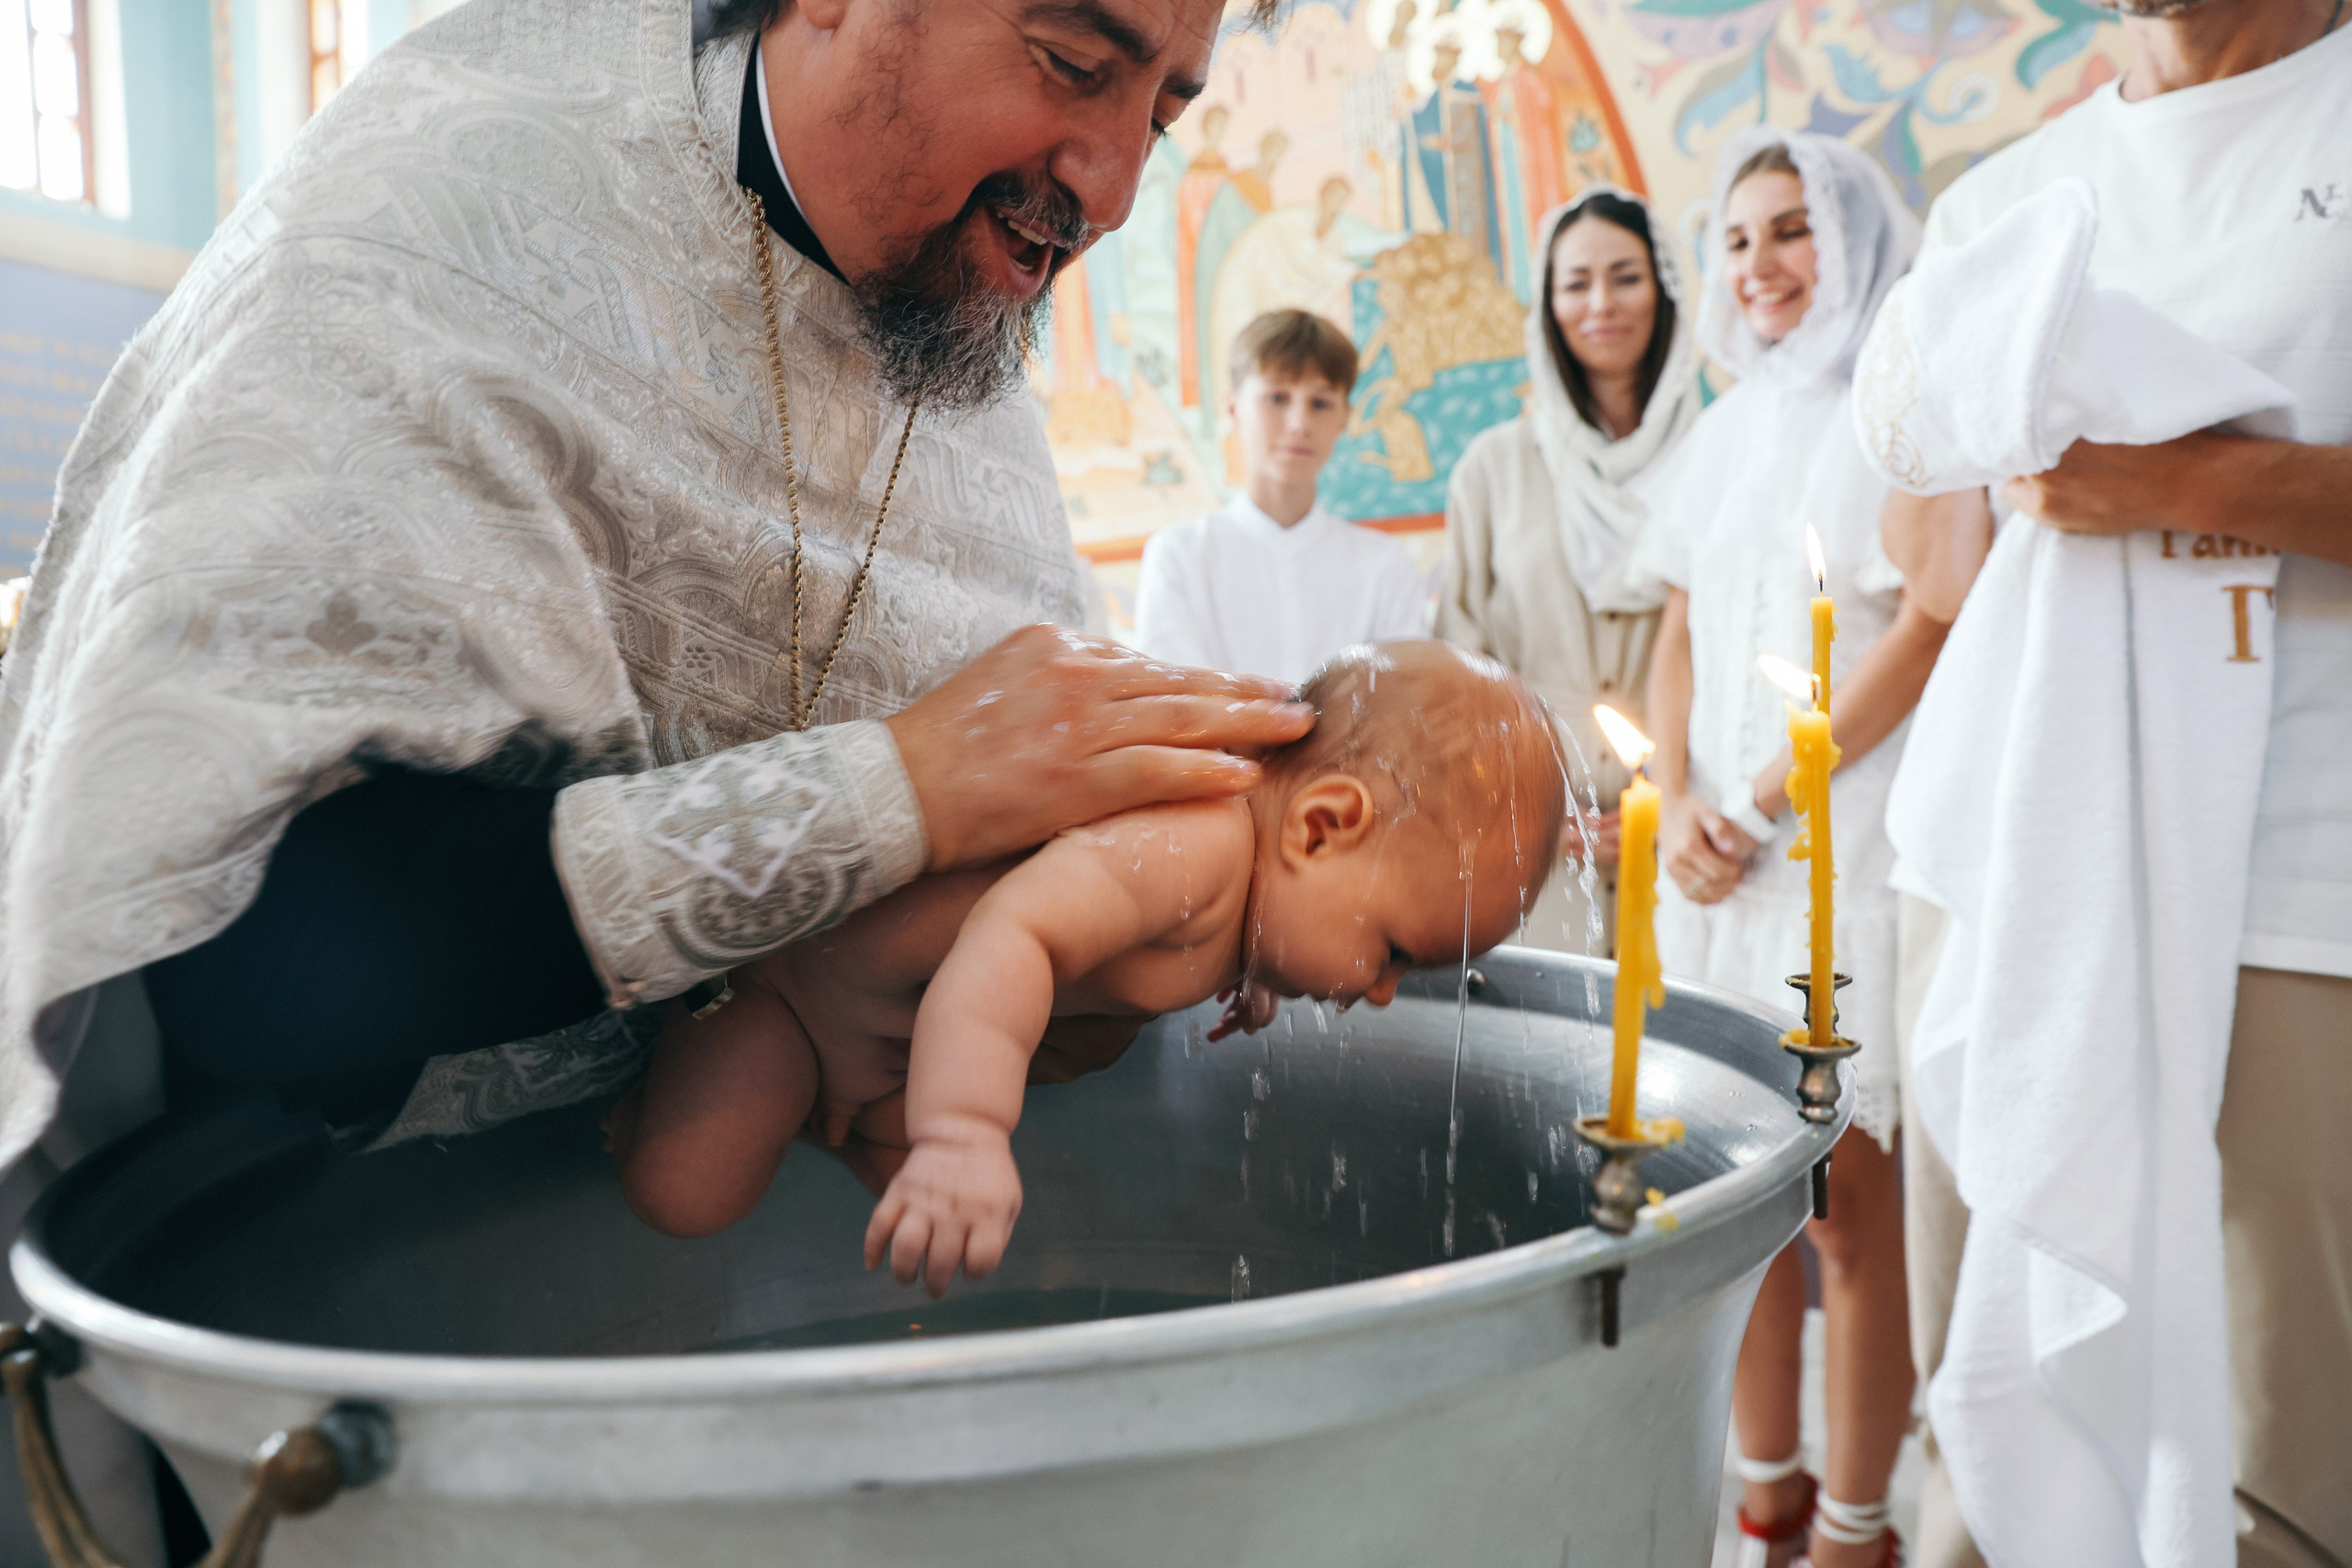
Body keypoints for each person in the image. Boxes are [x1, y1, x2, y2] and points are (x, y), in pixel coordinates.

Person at [1869, 1, 2352, 1563]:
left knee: (2286, 1439)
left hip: (2304, 875)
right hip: (2025, 857)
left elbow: (2099, 490)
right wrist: (1958, 435)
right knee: (1997, 1388)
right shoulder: (2011, 203)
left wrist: (2173, 478)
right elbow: (1938, 555)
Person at [611, 642, 1563, 1294]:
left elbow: (1275, 915)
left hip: (905, 1053)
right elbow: (1012, 937)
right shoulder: (1192, 846)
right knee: (685, 1192)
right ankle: (647, 1086)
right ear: (1321, 825)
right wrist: (965, 1133)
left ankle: (842, 1143)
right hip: (798, 1009)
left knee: (977, 1252)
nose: (1385, 989)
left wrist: (1264, 970)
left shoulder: (1261, 885)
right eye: (1394, 950)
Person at [1630, 128, 1938, 1568]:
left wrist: (1760, 799)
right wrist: (1681, 795)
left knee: (1847, 1219)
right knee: (1740, 1201)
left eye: (1791, 230)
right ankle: (1767, 1499)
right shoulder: (1726, 420)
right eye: (1740, 238)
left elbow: (1921, 631)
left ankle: (1862, 1525)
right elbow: (1681, 626)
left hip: (1836, 842)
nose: (1761, 264)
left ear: (1855, 237)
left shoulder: (1897, 407)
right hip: (1716, 856)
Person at [1439, 186, 1701, 952]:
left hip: (1688, 845)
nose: (1601, 304)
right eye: (1575, 282)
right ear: (1547, 305)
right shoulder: (1493, 467)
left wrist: (1676, 795)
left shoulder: (1717, 454)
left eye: (1625, 276)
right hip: (1534, 847)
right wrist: (1534, 812)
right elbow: (1460, 669)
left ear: (1664, 288)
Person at [1131, 310, 1428, 682]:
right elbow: (1173, 702)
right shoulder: (1179, 555)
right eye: (1277, 398)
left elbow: (1396, 708)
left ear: (1343, 418)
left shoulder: (1386, 566)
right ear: (1233, 407)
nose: (1299, 423)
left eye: (1320, 403)